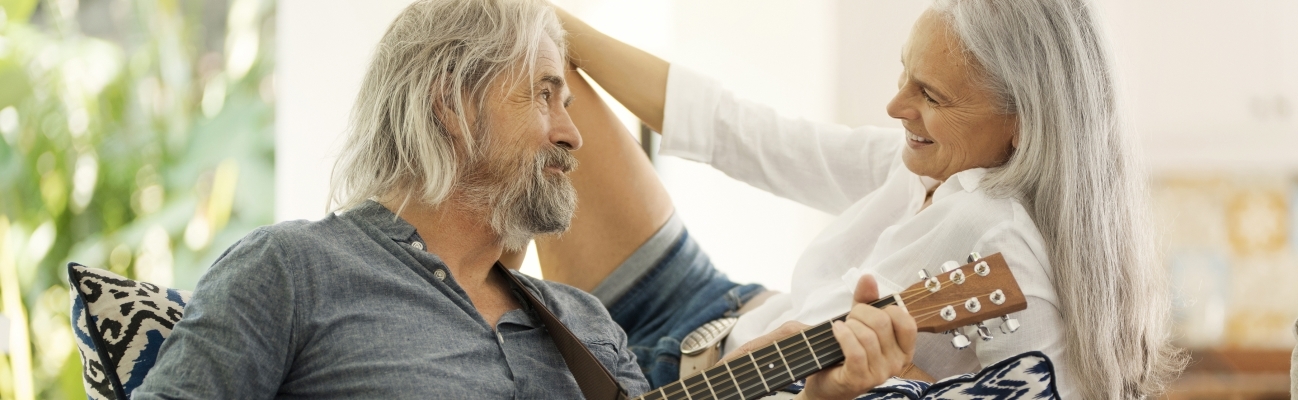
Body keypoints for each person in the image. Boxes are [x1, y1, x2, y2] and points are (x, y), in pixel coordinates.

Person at [134, 0, 915, 398]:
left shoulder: (589, 330)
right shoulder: (292, 272)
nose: (574, 135)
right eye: (546, 94)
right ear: (451, 104)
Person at [530, 0, 1187, 398]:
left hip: (700, 379)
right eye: (906, 74)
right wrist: (550, 20)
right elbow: (745, 134)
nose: (896, 106)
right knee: (531, 59)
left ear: (1025, 123)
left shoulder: (1015, 265)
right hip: (710, 303)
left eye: (932, 96)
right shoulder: (928, 165)